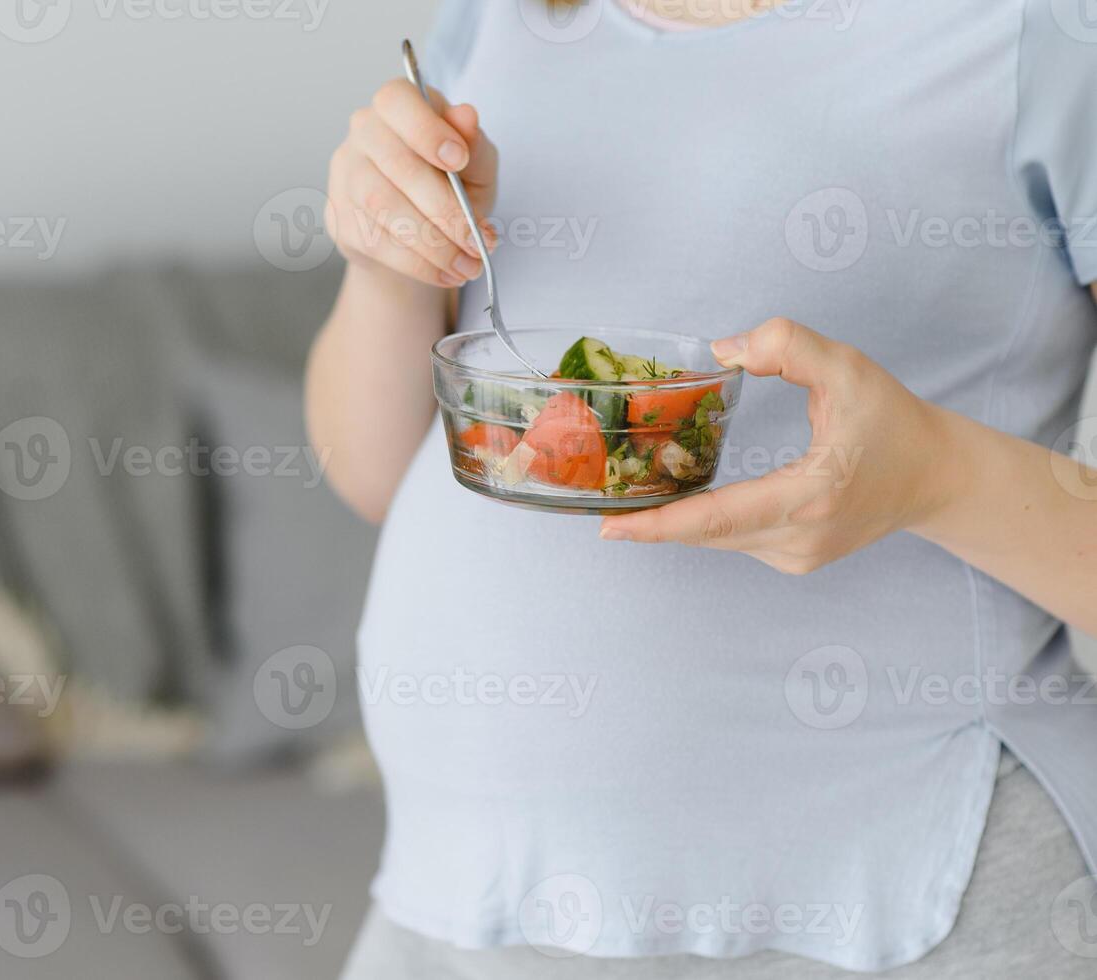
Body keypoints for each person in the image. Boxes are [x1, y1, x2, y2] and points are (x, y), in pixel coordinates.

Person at [305, 0, 1097, 976]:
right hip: (455, 908)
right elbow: (375, 471)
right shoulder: (501, 18)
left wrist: (930, 474)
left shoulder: (1050, 35)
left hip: (883, 918)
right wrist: (387, 263)